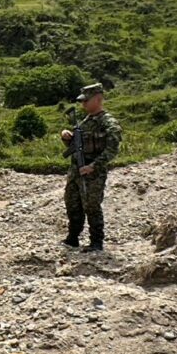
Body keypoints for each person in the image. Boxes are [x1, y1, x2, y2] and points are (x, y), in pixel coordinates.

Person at [61, 84, 122, 252]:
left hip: (93, 173)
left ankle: (96, 242)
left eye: (86, 101)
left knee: (92, 206)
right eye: (82, 101)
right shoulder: (85, 121)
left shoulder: (108, 123)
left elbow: (112, 150)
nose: (83, 105)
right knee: (72, 204)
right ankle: (73, 238)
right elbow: (77, 145)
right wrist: (67, 138)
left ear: (98, 99)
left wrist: (93, 166)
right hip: (76, 171)